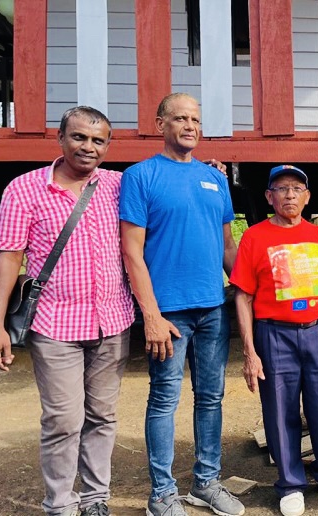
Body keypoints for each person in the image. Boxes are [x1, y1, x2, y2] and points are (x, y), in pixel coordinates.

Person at [0, 106, 134, 516]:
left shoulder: (119, 185)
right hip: (54, 324)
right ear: (61, 138)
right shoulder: (24, 189)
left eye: (98, 140)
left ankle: (96, 498)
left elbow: (165, 194)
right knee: (63, 420)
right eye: (79, 137)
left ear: (108, 146)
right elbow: (8, 259)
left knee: (102, 416)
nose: (88, 147)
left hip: (112, 321)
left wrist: (209, 170)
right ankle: (61, 504)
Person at [119, 92, 244, 516]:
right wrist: (151, 315)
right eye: (180, 118)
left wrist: (251, 291)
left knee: (211, 397)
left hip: (213, 308)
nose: (190, 126)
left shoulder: (215, 179)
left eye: (195, 119)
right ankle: (162, 494)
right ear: (161, 125)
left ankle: (206, 482)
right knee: (164, 399)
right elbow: (132, 252)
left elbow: (227, 245)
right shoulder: (141, 176)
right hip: (168, 313)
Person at [230, 165, 318, 516]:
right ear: (269, 196)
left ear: (307, 197)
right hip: (274, 333)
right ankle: (290, 483)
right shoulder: (254, 237)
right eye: (282, 188)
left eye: (297, 189)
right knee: (279, 408)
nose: (289, 195)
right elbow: (242, 296)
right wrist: (249, 350)